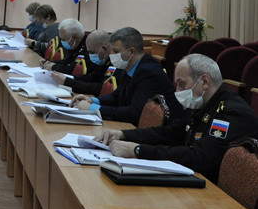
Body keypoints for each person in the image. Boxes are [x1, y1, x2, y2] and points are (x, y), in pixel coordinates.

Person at [96, 54, 258, 184]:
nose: (177, 91)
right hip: (194, 179)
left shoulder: (231, 112)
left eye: (181, 84)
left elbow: (201, 158)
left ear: (204, 82)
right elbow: (170, 133)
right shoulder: (202, 103)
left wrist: (138, 150)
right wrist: (123, 134)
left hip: (216, 194)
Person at [70, 27, 182, 125]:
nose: (111, 54)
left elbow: (134, 113)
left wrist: (94, 108)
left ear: (131, 51)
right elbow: (117, 96)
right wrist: (93, 100)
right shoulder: (129, 66)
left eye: (115, 51)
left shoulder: (148, 72)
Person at [52, 29, 124, 95]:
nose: (90, 56)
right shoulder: (104, 60)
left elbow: (100, 88)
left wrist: (68, 82)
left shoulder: (118, 63)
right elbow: (92, 77)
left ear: (104, 48)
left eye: (92, 52)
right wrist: (68, 78)